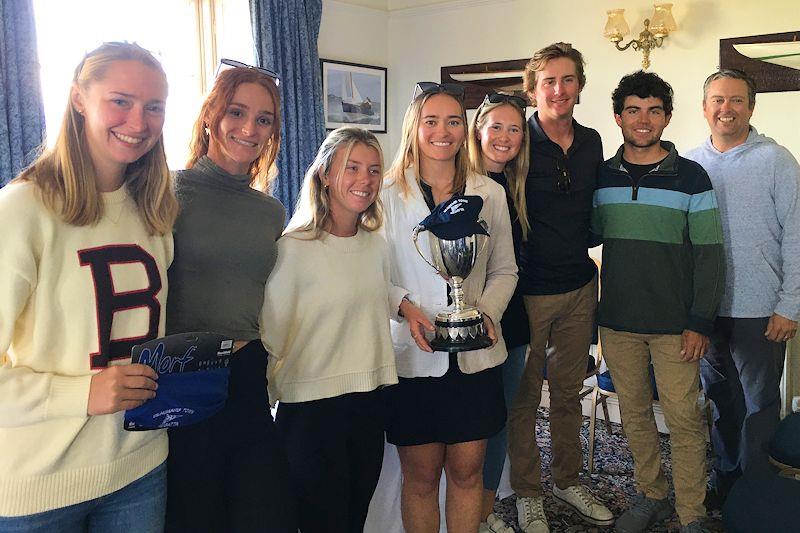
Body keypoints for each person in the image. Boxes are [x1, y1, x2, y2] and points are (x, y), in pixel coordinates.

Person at [0, 42, 177, 531]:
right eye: (120, 101)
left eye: (154, 107)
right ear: (79, 98)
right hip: (39, 484)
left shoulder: (156, 214)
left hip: (140, 468)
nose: (138, 122)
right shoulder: (22, 210)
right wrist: (80, 395)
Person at [380, 81, 517, 533]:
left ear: (466, 129)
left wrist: (487, 314)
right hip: (414, 358)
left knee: (467, 473)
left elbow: (504, 271)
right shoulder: (386, 197)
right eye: (431, 121)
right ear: (414, 129)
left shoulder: (490, 193)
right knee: (420, 477)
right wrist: (403, 306)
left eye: (453, 121)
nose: (443, 131)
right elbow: (373, 275)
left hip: (475, 360)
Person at [592, 70, 725, 533]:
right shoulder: (601, 175)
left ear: (667, 118)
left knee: (685, 420)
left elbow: (710, 257)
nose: (643, 120)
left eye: (653, 111)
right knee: (634, 417)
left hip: (676, 327)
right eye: (633, 110)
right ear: (618, 117)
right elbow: (582, 235)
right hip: (618, 322)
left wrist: (699, 321)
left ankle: (691, 514)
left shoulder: (692, 177)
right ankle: (652, 497)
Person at [164, 63, 295, 532]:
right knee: (197, 513)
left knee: (261, 513)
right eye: (237, 112)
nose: (249, 128)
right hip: (183, 374)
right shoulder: (166, 192)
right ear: (210, 117)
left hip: (247, 374)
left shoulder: (270, 211)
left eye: (263, 119)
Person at [261, 127, 398, 533]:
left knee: (354, 520)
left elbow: (374, 299)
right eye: (352, 167)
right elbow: (272, 336)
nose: (365, 180)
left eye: (374, 170)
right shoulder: (292, 248)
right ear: (324, 173)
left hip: (369, 404)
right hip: (310, 413)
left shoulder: (376, 244)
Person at [507, 43, 613, 533]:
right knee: (526, 398)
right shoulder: (517, 141)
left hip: (579, 286)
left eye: (568, 80)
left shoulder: (592, 141)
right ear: (533, 89)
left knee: (569, 392)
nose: (559, 89)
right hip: (529, 289)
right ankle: (528, 492)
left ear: (579, 87)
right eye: (549, 80)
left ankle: (567, 480)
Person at [685, 68, 800, 506]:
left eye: (735, 100)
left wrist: (789, 304)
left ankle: (757, 493)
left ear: (751, 107)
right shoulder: (691, 164)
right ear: (704, 107)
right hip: (709, 311)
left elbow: (796, 234)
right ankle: (728, 484)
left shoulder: (777, 160)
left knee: (759, 408)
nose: (725, 108)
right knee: (722, 402)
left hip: (762, 312)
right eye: (717, 100)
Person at [467, 92, 530, 533]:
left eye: (515, 129)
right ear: (478, 131)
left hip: (512, 322)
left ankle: (485, 512)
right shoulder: (458, 184)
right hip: (463, 323)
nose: (505, 138)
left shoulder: (519, 186)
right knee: (466, 425)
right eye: (496, 127)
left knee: (498, 420)